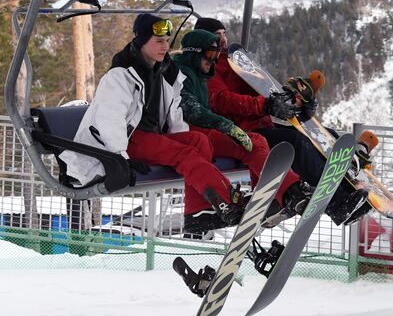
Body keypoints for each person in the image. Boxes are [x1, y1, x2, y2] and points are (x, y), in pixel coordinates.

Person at [59, 14, 247, 236]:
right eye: (158, 41)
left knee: (197, 141)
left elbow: (175, 113)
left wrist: (183, 140)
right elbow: (111, 119)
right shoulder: (120, 76)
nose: (165, 46)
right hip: (127, 141)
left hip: (150, 137)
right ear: (142, 41)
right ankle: (225, 199)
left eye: (167, 41)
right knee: (185, 154)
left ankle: (198, 212)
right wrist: (121, 158)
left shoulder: (166, 72)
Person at [195, 17, 374, 225]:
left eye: (224, 34)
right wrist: (265, 105)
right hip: (238, 131)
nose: (223, 40)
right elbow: (221, 101)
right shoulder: (208, 67)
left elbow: (264, 88)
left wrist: (295, 102)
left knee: (318, 138)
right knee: (294, 143)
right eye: (218, 37)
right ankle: (337, 203)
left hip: (259, 123)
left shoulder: (233, 62)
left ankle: (349, 193)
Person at [172, 29, 313, 229]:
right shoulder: (180, 73)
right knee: (251, 142)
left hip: (199, 131)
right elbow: (192, 111)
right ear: (194, 53)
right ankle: (289, 191)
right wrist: (228, 126)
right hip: (185, 133)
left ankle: (276, 194)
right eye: (210, 56)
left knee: (255, 141)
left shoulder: (200, 75)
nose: (213, 62)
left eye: (216, 57)